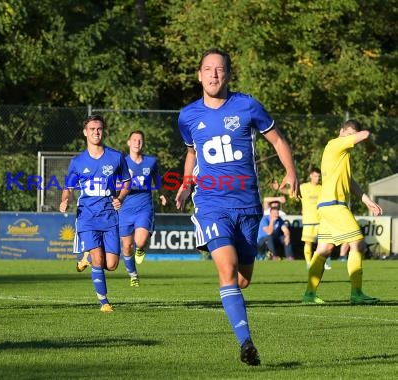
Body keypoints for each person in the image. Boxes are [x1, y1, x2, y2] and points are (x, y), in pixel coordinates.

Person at [175, 48, 299, 366]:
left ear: (228, 74)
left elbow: (277, 140)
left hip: (248, 206)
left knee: (242, 279)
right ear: (199, 74)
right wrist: (187, 184)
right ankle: (246, 343)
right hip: (211, 204)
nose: (214, 74)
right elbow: (191, 153)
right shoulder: (188, 116)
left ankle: (236, 312)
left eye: (220, 69)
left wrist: (291, 172)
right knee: (227, 270)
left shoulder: (247, 105)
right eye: (208, 69)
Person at [302, 119, 382, 305]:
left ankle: (309, 294)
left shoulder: (342, 154)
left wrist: (367, 200)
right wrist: (369, 145)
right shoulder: (336, 143)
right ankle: (356, 293)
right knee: (358, 244)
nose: (351, 138)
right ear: (341, 132)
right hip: (334, 205)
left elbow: (350, 182)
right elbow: (366, 135)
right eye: (349, 134)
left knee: (324, 249)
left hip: (327, 206)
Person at [59, 115, 131, 313]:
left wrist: (121, 198)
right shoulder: (77, 162)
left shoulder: (116, 157)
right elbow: (69, 188)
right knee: (99, 260)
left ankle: (87, 259)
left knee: (112, 264)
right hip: (87, 217)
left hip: (109, 217)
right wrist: (65, 200)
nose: (96, 132)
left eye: (99, 129)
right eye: (92, 129)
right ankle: (104, 302)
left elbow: (127, 182)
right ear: (85, 132)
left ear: (103, 131)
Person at [118, 130, 167, 287]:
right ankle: (133, 275)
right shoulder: (122, 162)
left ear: (143, 143)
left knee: (140, 241)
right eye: (134, 140)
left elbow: (157, 180)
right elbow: (114, 183)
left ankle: (140, 248)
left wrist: (162, 194)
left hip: (144, 207)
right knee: (126, 246)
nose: (137, 142)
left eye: (140, 140)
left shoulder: (151, 162)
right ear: (128, 143)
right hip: (125, 209)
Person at [299, 167, 332, 269]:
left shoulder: (322, 188)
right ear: (311, 176)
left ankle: (322, 262)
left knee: (325, 242)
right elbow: (291, 191)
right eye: (315, 176)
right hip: (309, 221)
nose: (317, 178)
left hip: (321, 220)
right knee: (308, 242)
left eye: (319, 176)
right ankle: (309, 264)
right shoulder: (303, 187)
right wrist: (279, 188)